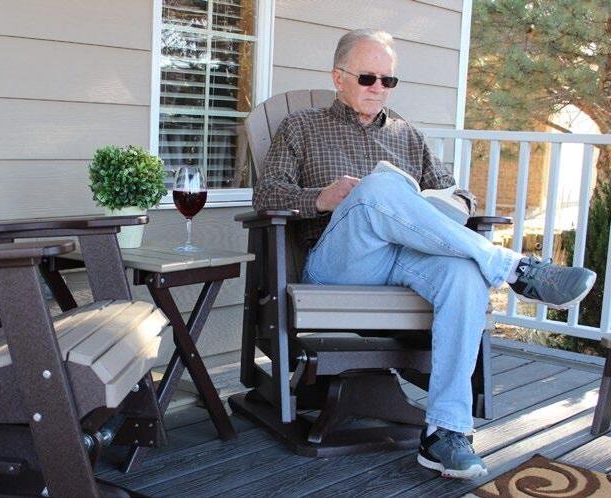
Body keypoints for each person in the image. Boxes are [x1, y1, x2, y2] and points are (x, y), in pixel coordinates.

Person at [253, 29, 596, 479]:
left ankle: (445, 433)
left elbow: (457, 193)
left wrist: (454, 206)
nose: (379, 88)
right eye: (368, 78)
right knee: (379, 188)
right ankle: (516, 268)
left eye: (388, 80)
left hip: (406, 263)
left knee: (464, 275)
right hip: (339, 264)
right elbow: (266, 195)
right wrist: (322, 197)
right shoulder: (301, 126)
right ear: (338, 77)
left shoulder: (408, 135)